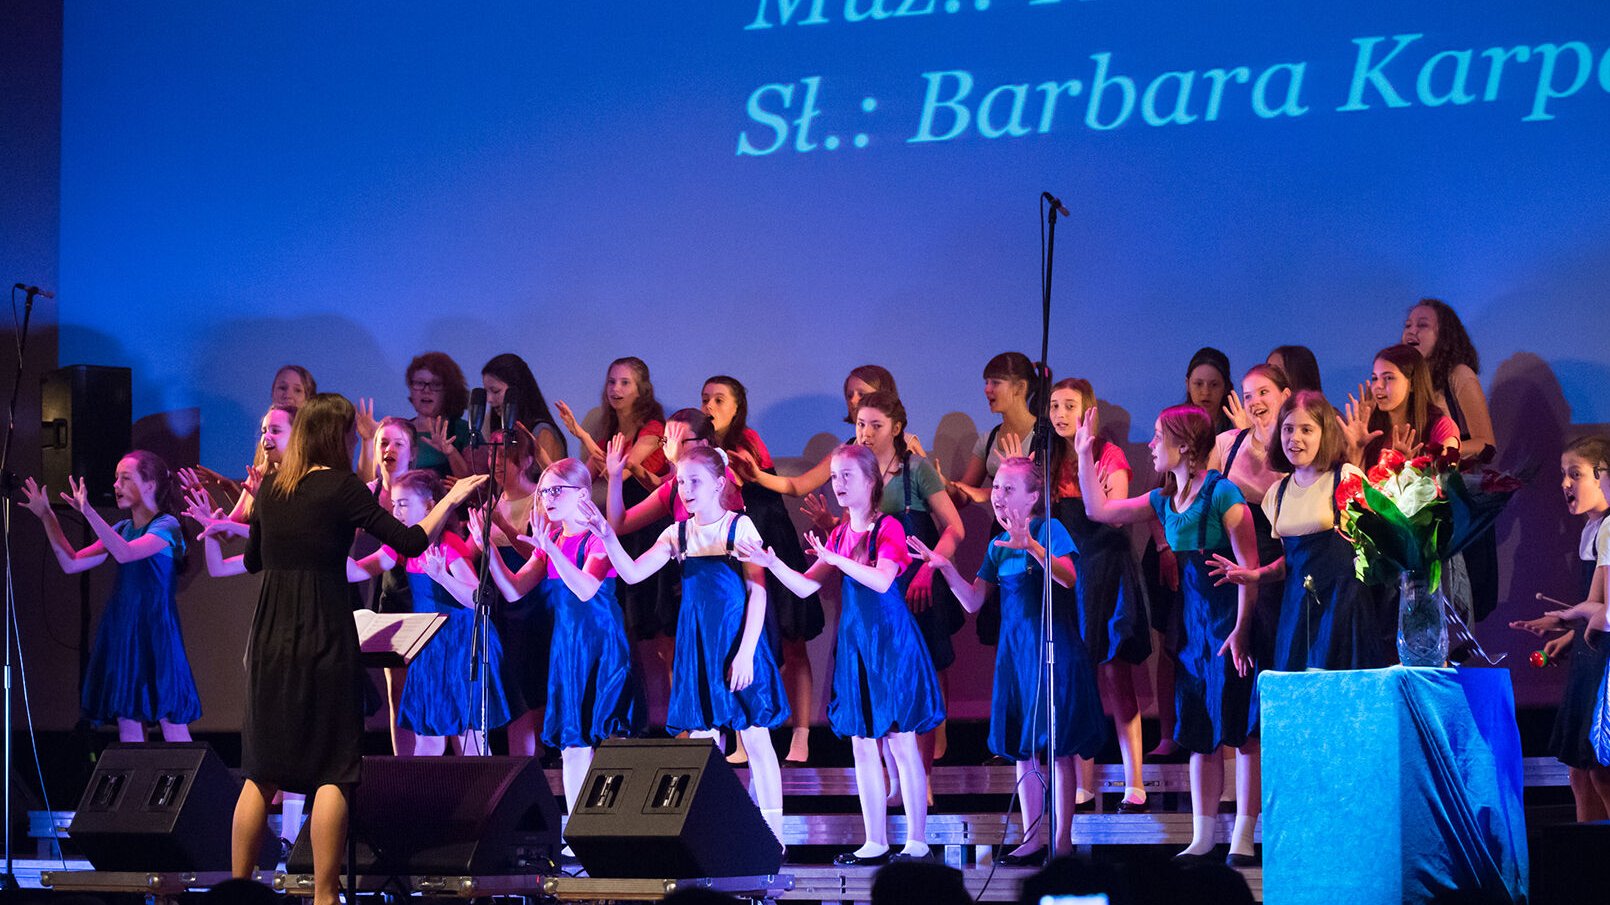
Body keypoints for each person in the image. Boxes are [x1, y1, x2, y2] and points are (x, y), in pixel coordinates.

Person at [227, 393, 486, 905]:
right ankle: (325, 897)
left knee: (262, 770)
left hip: (269, 637)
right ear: (339, 436)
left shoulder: (275, 486)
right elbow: (410, 542)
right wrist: (450, 502)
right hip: (323, 630)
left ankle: (237, 894)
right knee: (332, 769)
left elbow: (254, 559)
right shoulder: (341, 486)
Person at [1074, 404, 1260, 865]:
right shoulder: (1162, 499)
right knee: (1198, 731)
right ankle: (1202, 835)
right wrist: (1082, 454)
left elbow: (1249, 571)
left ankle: (1242, 833)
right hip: (1193, 625)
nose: (1152, 445)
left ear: (1184, 446)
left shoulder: (1224, 496)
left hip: (1230, 622)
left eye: (1159, 437)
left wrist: (1240, 630)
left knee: (1242, 730)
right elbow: (1099, 509)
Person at [739, 444, 942, 865]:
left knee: (902, 742)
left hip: (889, 644)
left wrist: (837, 559)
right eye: (835, 476)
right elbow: (805, 586)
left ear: (871, 482)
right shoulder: (838, 534)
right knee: (862, 745)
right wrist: (772, 562)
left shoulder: (887, 527)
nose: (839, 484)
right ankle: (875, 840)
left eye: (848, 476)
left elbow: (884, 581)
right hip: (857, 644)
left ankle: (917, 841)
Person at [584, 445, 788, 847]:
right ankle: (711, 836)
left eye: (695, 481)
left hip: (738, 645)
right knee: (702, 746)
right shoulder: (676, 533)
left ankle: (774, 839)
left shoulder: (739, 528)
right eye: (680, 482)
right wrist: (607, 535)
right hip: (699, 649)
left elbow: (758, 592)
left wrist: (747, 651)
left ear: (718, 483)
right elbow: (633, 572)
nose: (686, 488)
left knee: (757, 738)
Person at [914, 456, 1105, 863]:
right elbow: (972, 601)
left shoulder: (1049, 528)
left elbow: (1068, 577)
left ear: (1034, 496)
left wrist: (1032, 546)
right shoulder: (997, 545)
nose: (997, 497)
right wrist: (945, 568)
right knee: (1024, 749)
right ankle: (1033, 835)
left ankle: (1062, 839)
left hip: (1053, 652)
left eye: (1008, 489)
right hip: (1015, 656)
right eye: (996, 488)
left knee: (1058, 747)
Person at [485, 457, 643, 812]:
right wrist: (489, 547)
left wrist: (551, 549)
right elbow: (513, 590)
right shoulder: (552, 539)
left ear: (583, 494)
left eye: (557, 490)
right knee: (573, 742)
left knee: (609, 735)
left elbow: (586, 588)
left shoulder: (598, 538)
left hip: (601, 649)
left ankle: (613, 822)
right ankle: (578, 829)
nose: (547, 499)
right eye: (543, 492)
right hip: (568, 650)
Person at [22, 452, 199, 743]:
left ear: (150, 485)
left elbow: (126, 553)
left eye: (126, 478)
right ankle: (137, 788)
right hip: (123, 631)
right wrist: (47, 516)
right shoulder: (123, 529)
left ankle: (191, 789)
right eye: (117, 478)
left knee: (170, 718)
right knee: (127, 718)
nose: (116, 485)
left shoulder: (167, 525)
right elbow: (72, 562)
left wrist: (88, 511)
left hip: (155, 632)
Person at [1210, 392, 1381, 670]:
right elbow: (1291, 563)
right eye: (1288, 429)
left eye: (1306, 430)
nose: (1294, 438)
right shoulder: (1277, 494)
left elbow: (1374, 548)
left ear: (1324, 434)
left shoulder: (1346, 478)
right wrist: (1256, 574)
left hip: (1342, 610)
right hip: (1297, 610)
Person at [703, 375, 823, 766]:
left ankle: (802, 734)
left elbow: (749, 485)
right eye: (705, 399)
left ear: (737, 407)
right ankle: (743, 734)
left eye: (719, 400)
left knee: (793, 640)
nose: (710, 406)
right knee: (740, 640)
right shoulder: (702, 449)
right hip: (730, 551)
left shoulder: (748, 441)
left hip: (770, 541)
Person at [1044, 378, 1152, 812]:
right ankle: (1082, 785)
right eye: (1054, 406)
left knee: (1115, 675)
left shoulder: (1109, 454)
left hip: (1104, 571)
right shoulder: (1047, 459)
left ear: (1088, 410)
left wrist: (1087, 461)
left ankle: (1135, 783)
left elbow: (1112, 516)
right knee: (1077, 677)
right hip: (1067, 573)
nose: (1060, 414)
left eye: (1069, 405)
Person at [369, 469, 511, 756]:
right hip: (431, 647)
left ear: (431, 506)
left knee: (469, 737)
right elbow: (360, 568)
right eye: (394, 504)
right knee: (428, 737)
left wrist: (442, 577)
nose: (396, 512)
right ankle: (428, 798)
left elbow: (477, 600)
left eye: (404, 504)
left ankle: (482, 798)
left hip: (461, 646)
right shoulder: (404, 546)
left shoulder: (446, 545)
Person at [1509, 436, 1610, 820]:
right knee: (1580, 773)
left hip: (1604, 663)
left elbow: (1604, 610)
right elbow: (1594, 606)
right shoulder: (1594, 529)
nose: (1566, 484)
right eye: (1562, 476)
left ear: (1603, 477)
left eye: (1576, 474)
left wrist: (1565, 618)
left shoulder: (1609, 528)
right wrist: (1567, 635)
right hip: (1590, 654)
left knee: (1601, 771)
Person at [1403, 298, 1500, 622]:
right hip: (1419, 507)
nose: (1412, 331)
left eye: (1423, 325)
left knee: (1459, 609)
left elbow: (1486, 443)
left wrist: (1440, 453)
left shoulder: (1458, 375)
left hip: (1457, 507)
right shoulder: (1407, 384)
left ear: (1445, 335)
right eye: (1408, 325)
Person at [1210, 365, 1292, 670]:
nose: (1254, 401)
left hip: (1274, 574)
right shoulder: (1227, 443)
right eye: (1248, 395)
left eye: (1262, 392)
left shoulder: (1296, 449)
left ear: (1285, 396)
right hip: (1229, 572)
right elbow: (1206, 502)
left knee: (1269, 656)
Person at [478, 352, 566, 469]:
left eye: (495, 391)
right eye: (487, 392)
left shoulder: (543, 432)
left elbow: (554, 483)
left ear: (518, 390)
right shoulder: (496, 429)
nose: (489, 399)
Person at [403, 352, 473, 478]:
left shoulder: (464, 431)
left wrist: (451, 452)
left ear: (448, 391)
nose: (426, 390)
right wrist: (368, 441)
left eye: (435, 384)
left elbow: (477, 486)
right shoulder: (400, 431)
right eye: (419, 383)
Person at [1184, 347, 1234, 436]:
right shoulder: (1175, 425)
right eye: (1198, 384)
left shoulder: (1237, 426)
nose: (1206, 392)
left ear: (1226, 387)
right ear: (1188, 384)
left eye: (1214, 385)